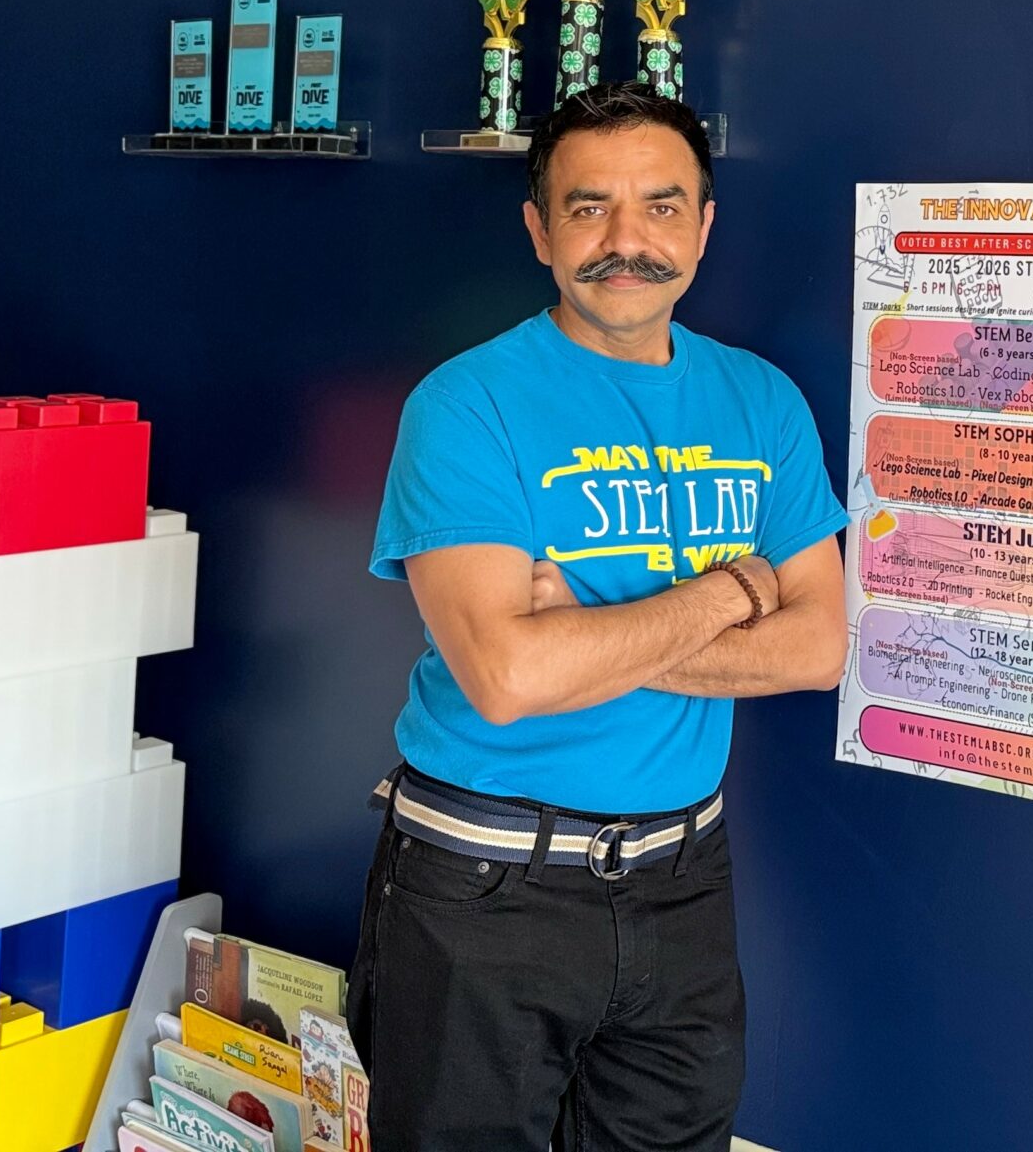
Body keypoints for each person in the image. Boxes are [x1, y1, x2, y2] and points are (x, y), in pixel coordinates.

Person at [348, 84, 848, 1152]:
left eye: (663, 206)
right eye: (587, 208)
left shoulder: (764, 401)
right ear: (537, 227)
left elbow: (818, 647)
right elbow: (509, 676)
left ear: (706, 225)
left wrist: (601, 632)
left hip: (685, 881)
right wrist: (730, 591)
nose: (628, 240)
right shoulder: (465, 403)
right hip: (482, 889)